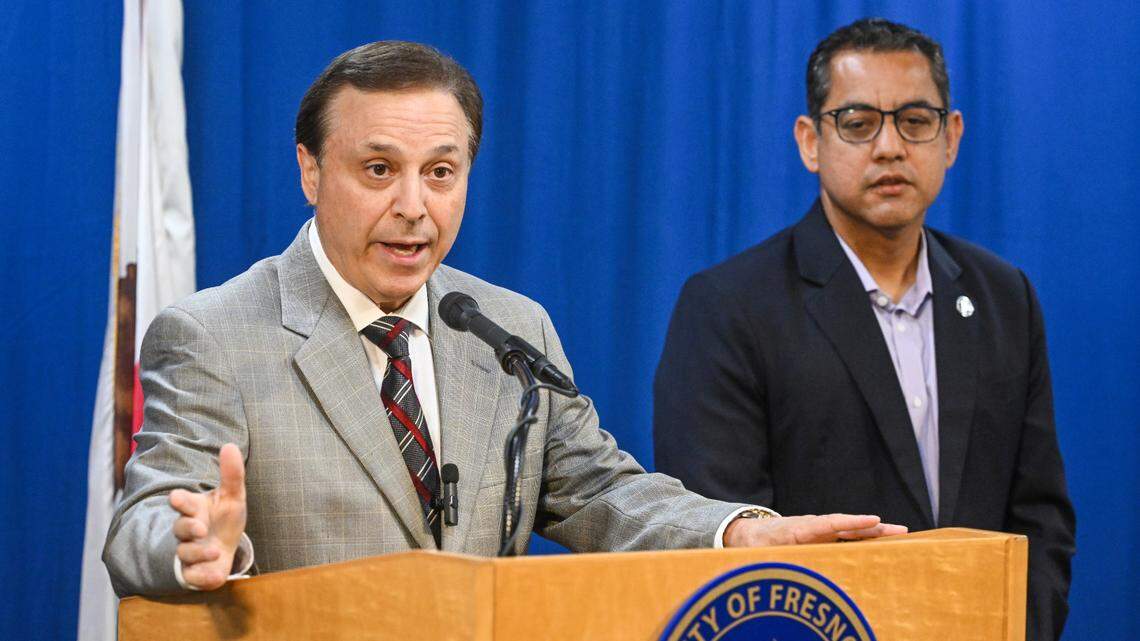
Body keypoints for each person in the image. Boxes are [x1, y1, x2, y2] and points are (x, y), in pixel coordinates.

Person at [103, 40, 904, 597]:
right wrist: (193, 543)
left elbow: (602, 492)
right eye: (378, 169)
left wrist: (737, 533)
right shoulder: (213, 334)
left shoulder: (507, 327)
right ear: (311, 169)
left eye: (441, 172)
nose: (413, 207)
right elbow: (140, 522)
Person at [653, 18, 1075, 641]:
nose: (889, 147)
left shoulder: (1003, 296)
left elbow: (1040, 520)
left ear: (951, 137)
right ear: (810, 142)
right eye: (857, 123)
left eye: (915, 120)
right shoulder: (728, 307)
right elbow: (720, 536)